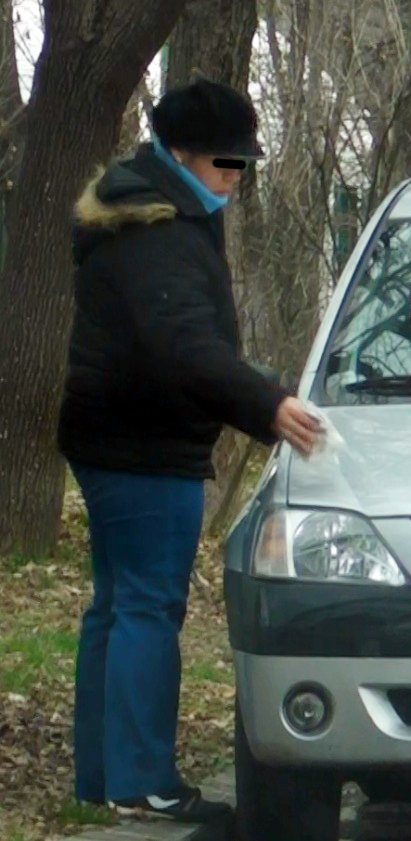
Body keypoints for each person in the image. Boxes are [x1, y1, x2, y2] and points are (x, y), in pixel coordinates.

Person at [57, 78, 324, 822]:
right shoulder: (161, 232)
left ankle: (102, 778)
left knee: (116, 606)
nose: (234, 179)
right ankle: (142, 780)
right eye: (224, 163)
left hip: (112, 436)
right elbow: (186, 348)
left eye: (243, 164)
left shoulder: (141, 212)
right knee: (147, 606)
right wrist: (267, 405)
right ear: (180, 154)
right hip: (144, 445)